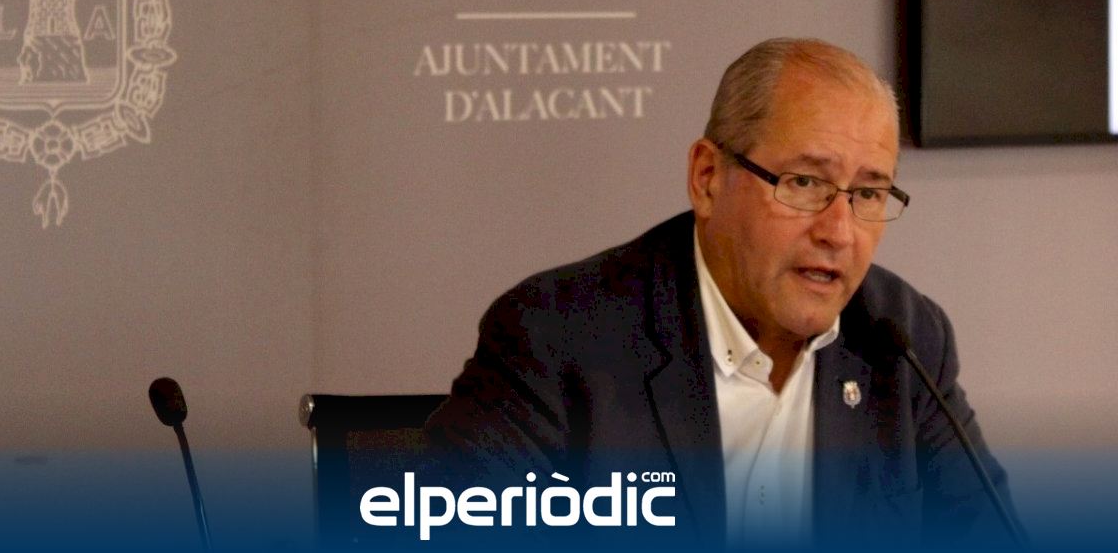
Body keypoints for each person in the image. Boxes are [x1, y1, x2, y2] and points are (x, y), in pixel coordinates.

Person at [425, 38, 1019, 549]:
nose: (839, 232)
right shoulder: (556, 339)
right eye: (804, 182)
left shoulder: (904, 339)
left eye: (867, 194)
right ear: (708, 179)